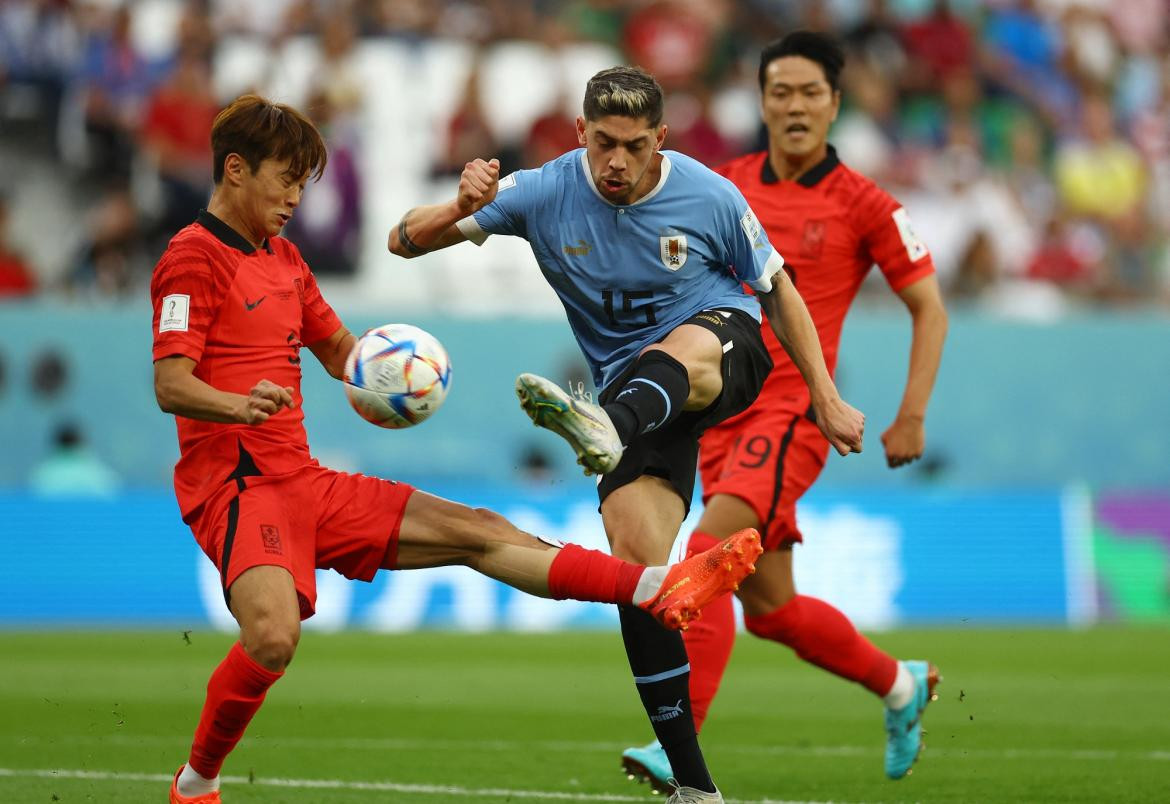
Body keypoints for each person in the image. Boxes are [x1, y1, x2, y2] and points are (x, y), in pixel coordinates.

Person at [153, 94, 764, 804]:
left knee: (480, 532)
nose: (296, 198)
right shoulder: (191, 258)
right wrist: (239, 404)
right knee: (271, 640)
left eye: (302, 183)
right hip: (236, 484)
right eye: (285, 179)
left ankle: (657, 586)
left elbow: (343, 352)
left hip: (303, 481)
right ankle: (196, 782)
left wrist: (402, 370)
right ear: (234, 170)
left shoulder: (286, 260)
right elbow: (171, 383)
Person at [389, 66, 866, 804]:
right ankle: (695, 788)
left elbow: (777, 291)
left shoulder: (710, 196)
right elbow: (402, 244)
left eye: (634, 146)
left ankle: (604, 426)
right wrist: (460, 204)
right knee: (640, 575)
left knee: (687, 350)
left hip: (719, 351)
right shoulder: (542, 191)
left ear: (660, 141)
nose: (617, 161)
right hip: (634, 402)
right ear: (580, 134)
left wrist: (827, 398)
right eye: (603, 144)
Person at [618, 32, 949, 791]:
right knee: (771, 609)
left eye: (810, 93)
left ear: (835, 103)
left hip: (795, 417)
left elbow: (928, 308)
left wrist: (912, 415)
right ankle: (899, 684)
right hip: (719, 414)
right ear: (761, 101)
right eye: (780, 92)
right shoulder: (721, 186)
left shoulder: (866, 204)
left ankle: (680, 747)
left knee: (706, 556)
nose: (794, 106)